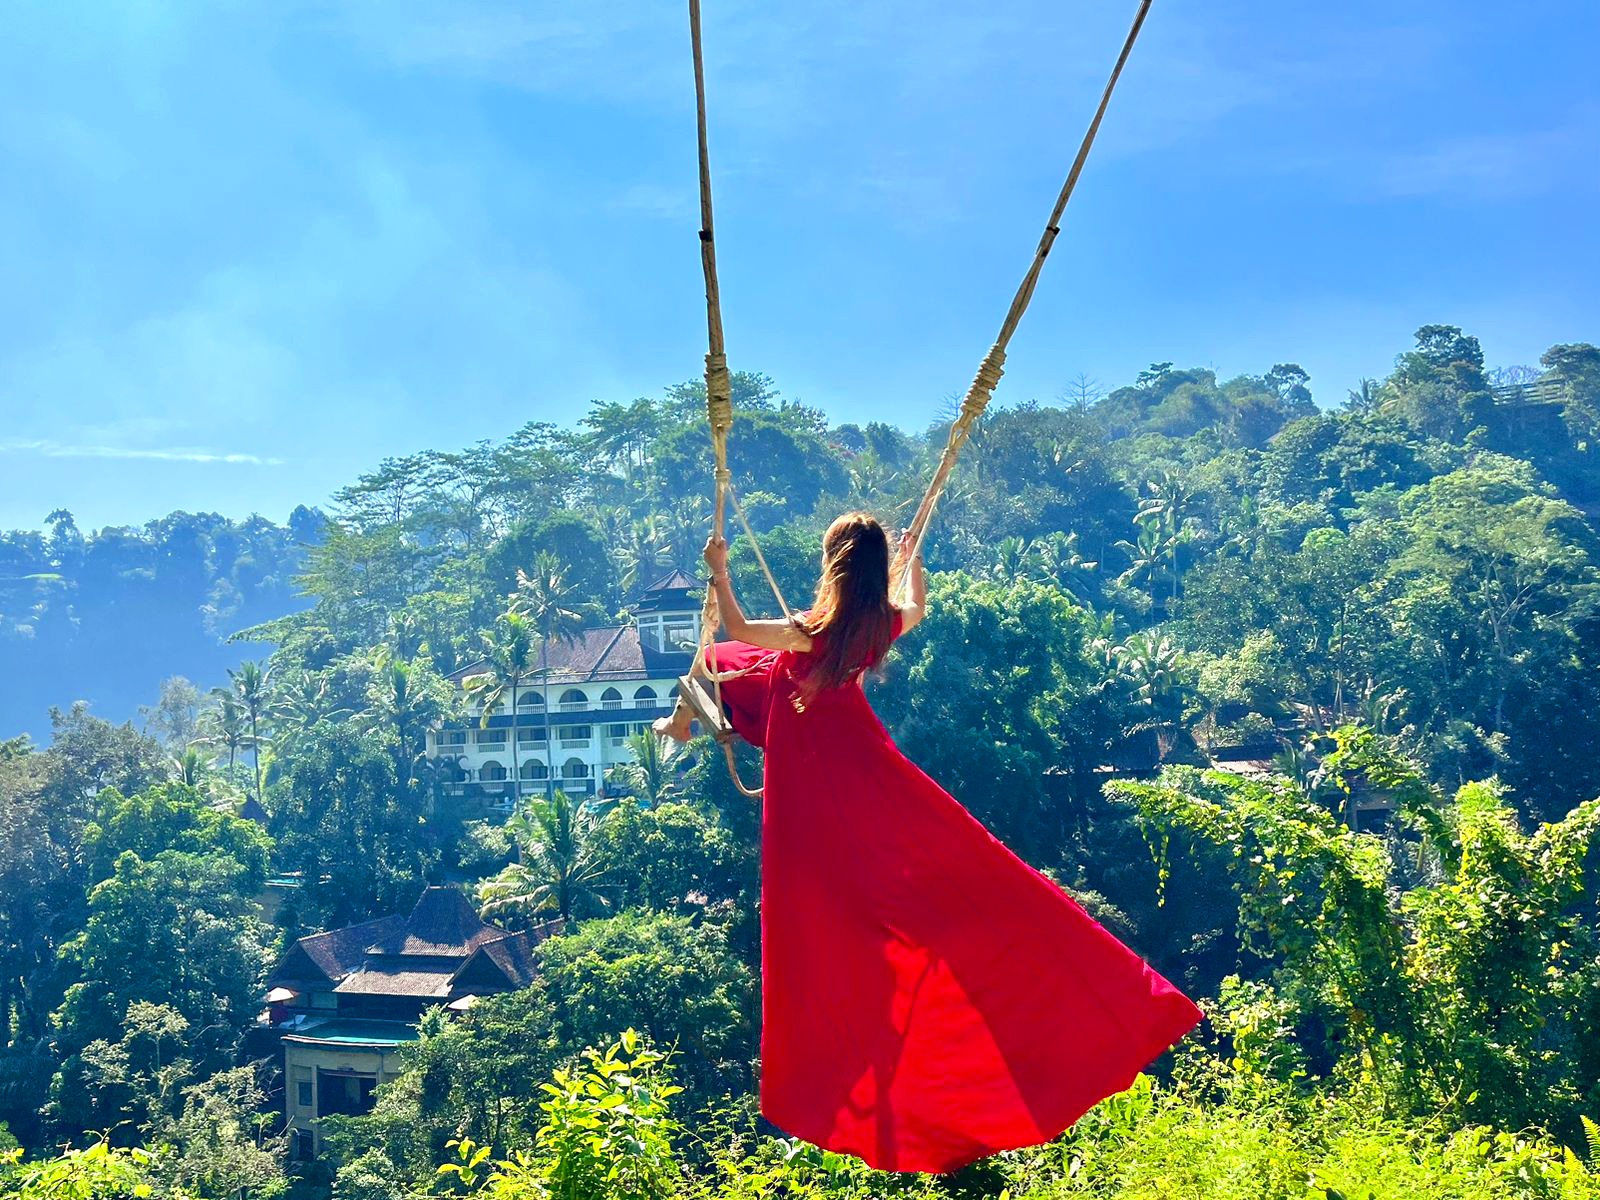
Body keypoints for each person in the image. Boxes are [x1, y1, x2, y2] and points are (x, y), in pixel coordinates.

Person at [655, 511, 1202, 1175]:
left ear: (833, 566)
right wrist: (911, 559)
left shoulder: (815, 630)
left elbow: (737, 625)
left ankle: (681, 723)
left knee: (724, 655)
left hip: (815, 764)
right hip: (846, 753)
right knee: (728, 663)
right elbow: (918, 604)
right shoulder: (871, 625)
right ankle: (683, 722)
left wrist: (720, 571)